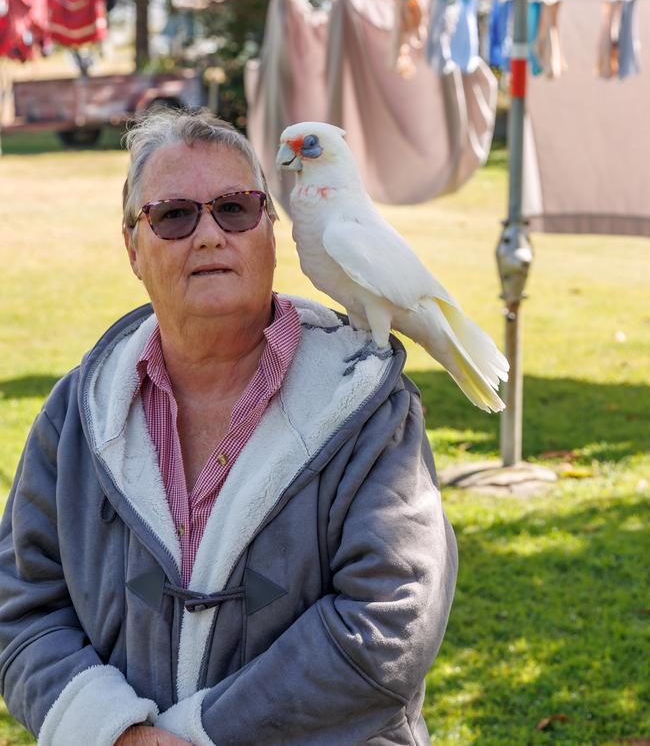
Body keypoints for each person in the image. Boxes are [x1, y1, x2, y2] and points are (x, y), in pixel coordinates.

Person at [0, 110, 458, 746]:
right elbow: (20, 607)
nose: (209, 235)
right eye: (174, 216)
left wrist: (203, 735)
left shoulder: (367, 406)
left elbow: (390, 620)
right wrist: (118, 734)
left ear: (273, 230)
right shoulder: (77, 415)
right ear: (133, 247)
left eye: (236, 209)